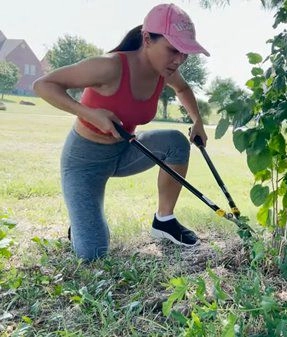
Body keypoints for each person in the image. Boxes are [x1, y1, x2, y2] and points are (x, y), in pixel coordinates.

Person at [34, 3, 210, 261]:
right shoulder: (109, 67)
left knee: (175, 141)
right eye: (173, 50)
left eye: (185, 53)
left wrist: (198, 121)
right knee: (94, 253)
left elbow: (183, 89)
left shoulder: (164, 71)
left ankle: (164, 221)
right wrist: (89, 113)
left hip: (126, 150)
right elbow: (44, 85)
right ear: (147, 39)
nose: (179, 59)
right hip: (84, 162)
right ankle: (83, 226)